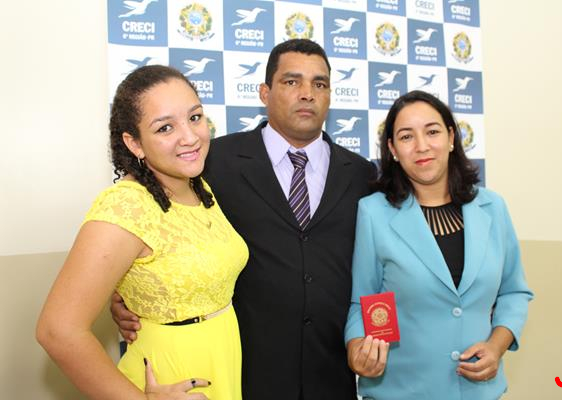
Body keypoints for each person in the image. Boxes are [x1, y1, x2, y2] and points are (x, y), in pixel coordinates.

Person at [113, 39, 375, 399]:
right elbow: (154, 232)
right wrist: (125, 294)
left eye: (320, 84)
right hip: (241, 373)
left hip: (332, 374)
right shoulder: (209, 162)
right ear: (265, 92)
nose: (307, 93)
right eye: (291, 81)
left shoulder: (362, 174)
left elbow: (379, 266)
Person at [37, 65, 249, 400]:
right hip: (171, 378)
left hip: (219, 361)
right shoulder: (126, 206)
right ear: (134, 143)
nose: (190, 136)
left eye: (194, 117)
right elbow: (57, 331)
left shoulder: (198, 187)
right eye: (165, 127)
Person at [345, 90, 533, 400]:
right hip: (401, 390)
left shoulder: (493, 208)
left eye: (432, 132)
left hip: (478, 392)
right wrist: (357, 348)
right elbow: (363, 300)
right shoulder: (374, 212)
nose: (422, 146)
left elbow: (514, 292)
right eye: (406, 137)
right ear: (392, 149)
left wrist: (496, 346)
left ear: (451, 138)